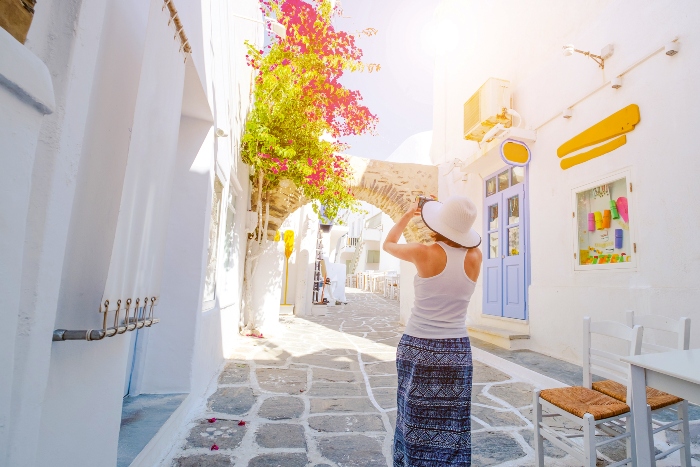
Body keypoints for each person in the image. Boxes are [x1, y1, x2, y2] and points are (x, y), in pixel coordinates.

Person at [383, 195, 482, 466]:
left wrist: (407, 215)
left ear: (438, 224)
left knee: (413, 417)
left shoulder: (423, 252)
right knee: (452, 420)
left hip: (419, 347)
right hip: (457, 350)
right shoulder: (476, 256)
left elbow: (388, 244)